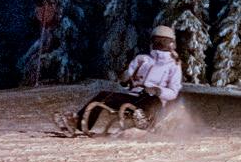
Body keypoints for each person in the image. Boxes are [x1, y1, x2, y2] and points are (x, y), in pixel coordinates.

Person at [55, 25, 183, 133]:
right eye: (157, 41)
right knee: (103, 96)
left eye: (163, 42)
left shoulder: (173, 65)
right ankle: (77, 122)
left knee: (151, 100)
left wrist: (157, 90)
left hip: (155, 101)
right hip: (134, 97)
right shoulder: (142, 59)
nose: (160, 45)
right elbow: (127, 80)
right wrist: (125, 80)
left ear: (171, 44)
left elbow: (173, 91)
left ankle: (145, 123)